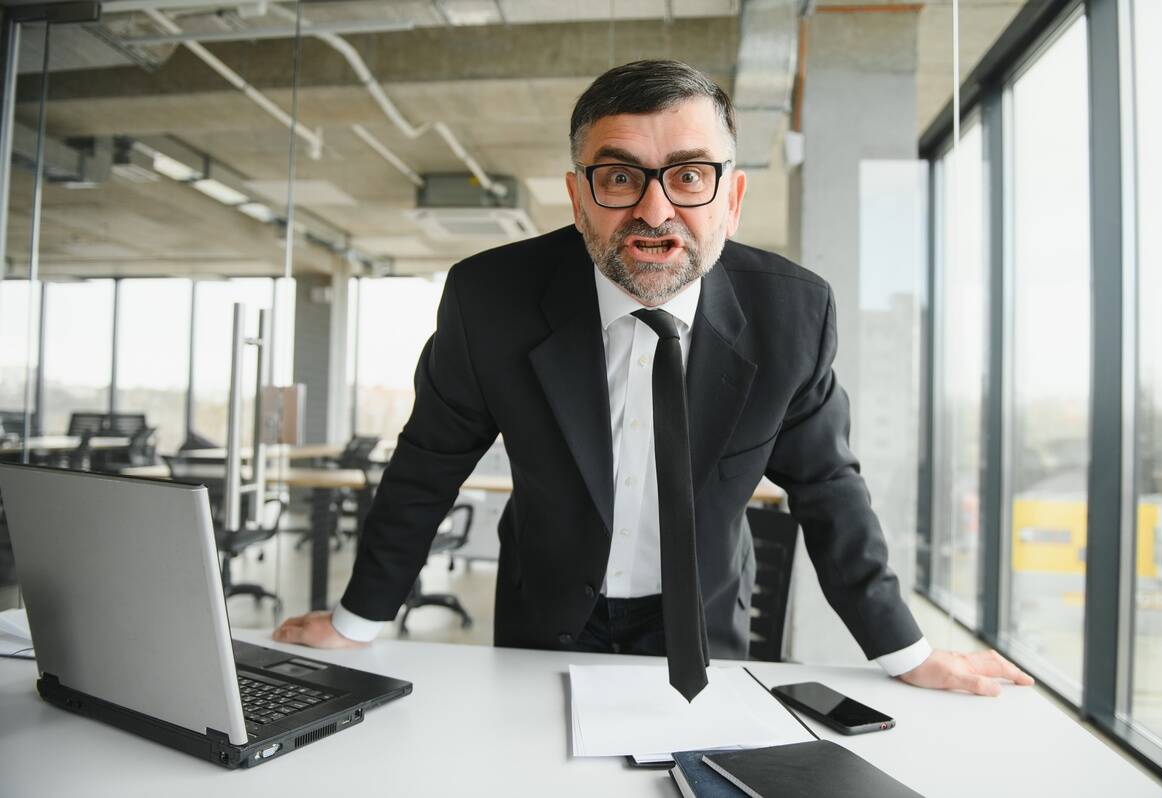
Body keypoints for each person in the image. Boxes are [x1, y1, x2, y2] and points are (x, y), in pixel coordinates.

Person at [275, 59, 1032, 698]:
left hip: (704, 620)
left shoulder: (793, 316)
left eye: (690, 175)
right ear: (578, 199)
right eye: (618, 176)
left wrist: (909, 655)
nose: (654, 209)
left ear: (731, 201)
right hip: (541, 615)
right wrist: (356, 623)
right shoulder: (490, 301)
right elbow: (426, 466)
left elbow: (829, 488)